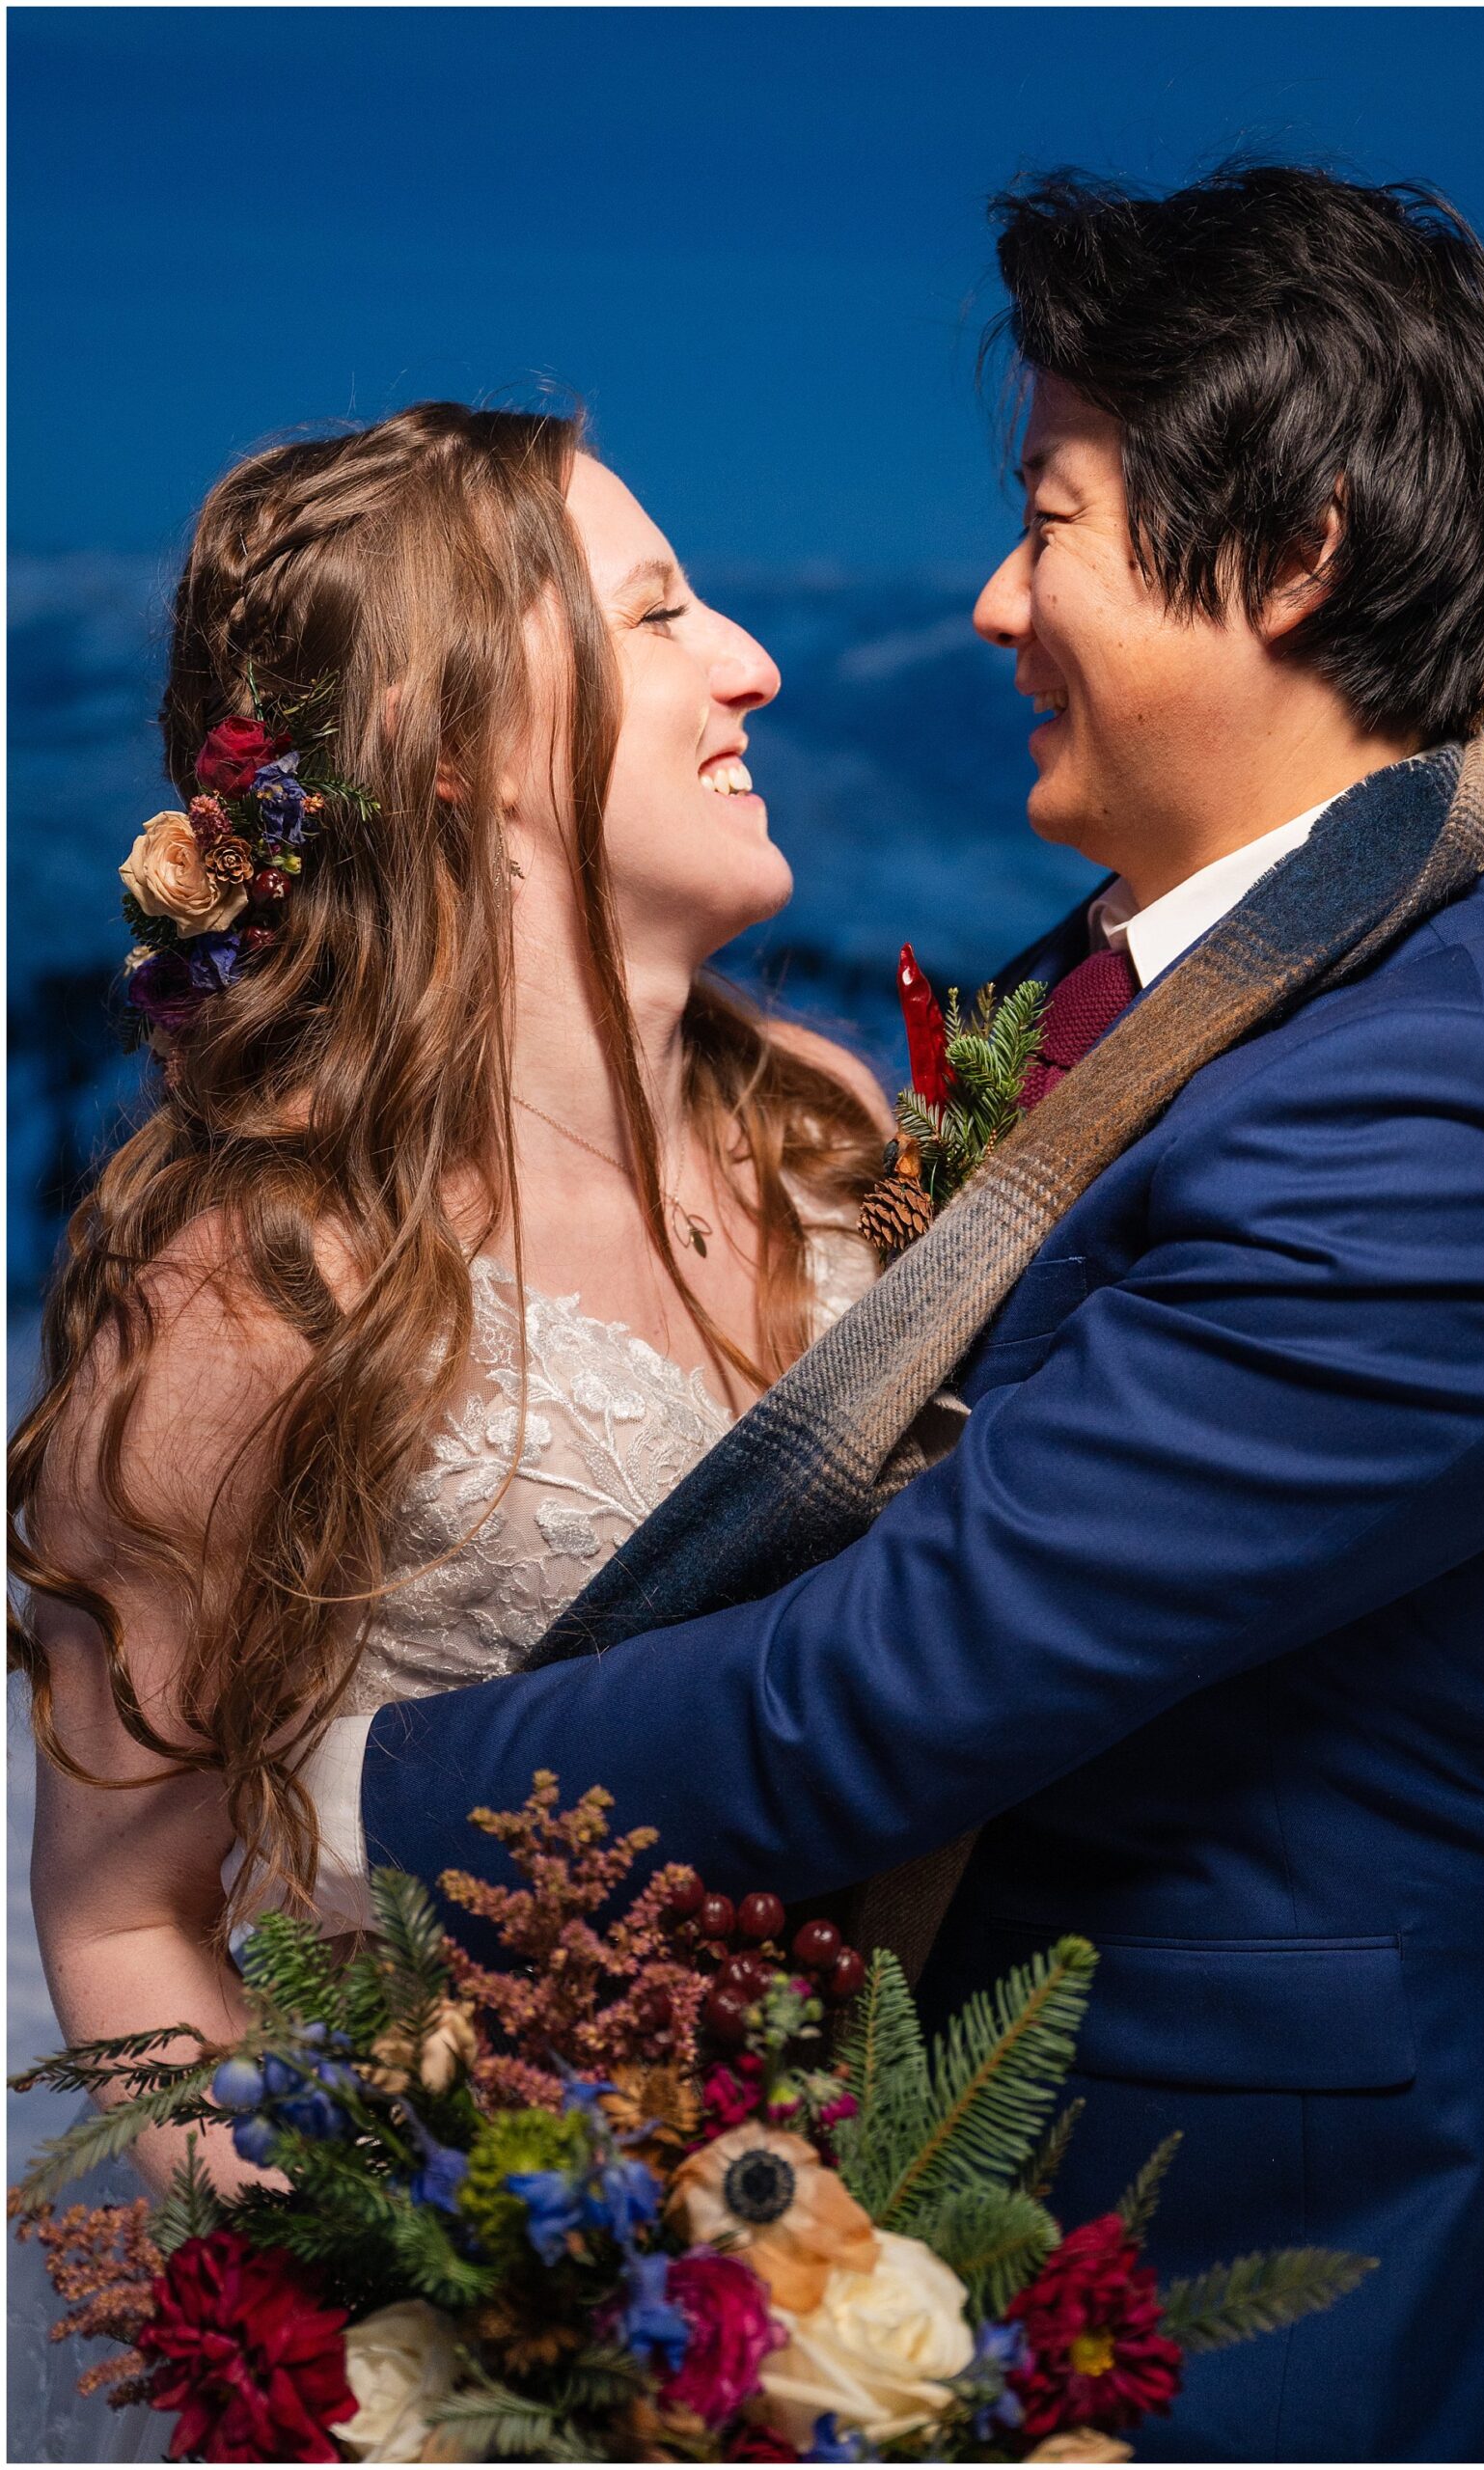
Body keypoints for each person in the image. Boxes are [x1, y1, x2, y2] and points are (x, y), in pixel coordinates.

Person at [345, 173, 1484, 2459]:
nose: (990, 598)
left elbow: (913, 1668)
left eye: (1050, 520)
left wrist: (380, 1784)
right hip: (939, 2194)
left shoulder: (1433, 1103)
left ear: (1300, 554)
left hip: (1284, 2269)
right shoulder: (1190, 981)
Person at [7, 402, 888, 2460]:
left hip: (877, 2275)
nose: (750, 659)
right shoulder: (247, 1292)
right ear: (452, 735)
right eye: (662, 612)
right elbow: (125, 1902)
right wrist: (388, 2293)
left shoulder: (836, 1132)